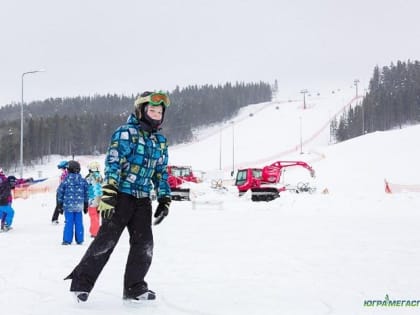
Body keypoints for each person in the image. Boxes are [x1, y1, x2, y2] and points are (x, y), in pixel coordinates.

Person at [65, 91, 172, 303]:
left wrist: (164, 198)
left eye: (159, 112)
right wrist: (109, 193)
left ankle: (135, 287)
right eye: (152, 110)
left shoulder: (160, 140)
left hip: (142, 200)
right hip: (121, 196)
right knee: (106, 241)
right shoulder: (125, 133)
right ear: (141, 110)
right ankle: (81, 284)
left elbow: (161, 172)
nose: (156, 115)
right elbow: (113, 164)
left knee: (144, 245)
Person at [56, 160, 88, 245]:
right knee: (79, 223)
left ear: (69, 170)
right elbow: (86, 193)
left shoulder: (66, 180)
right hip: (79, 206)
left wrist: (59, 204)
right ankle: (80, 239)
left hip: (68, 206)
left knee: (69, 222)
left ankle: (67, 240)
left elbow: (60, 192)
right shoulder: (83, 181)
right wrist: (86, 204)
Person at [85, 161, 103, 238]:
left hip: (92, 199)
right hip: (100, 198)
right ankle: (97, 229)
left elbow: (85, 187)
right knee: (97, 215)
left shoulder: (89, 177)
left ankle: (95, 232)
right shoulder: (100, 176)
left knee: (93, 215)